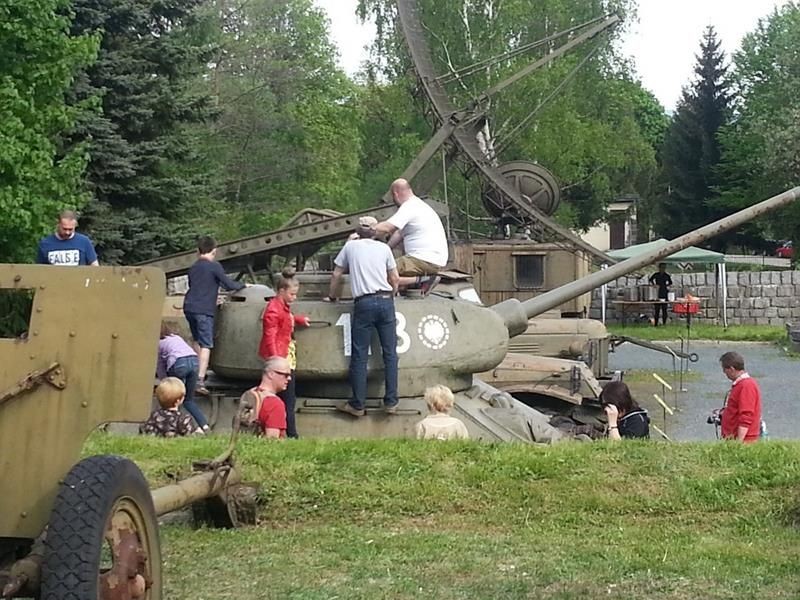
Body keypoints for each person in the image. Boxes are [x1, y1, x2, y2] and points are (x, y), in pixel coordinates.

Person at [326, 216, 400, 417]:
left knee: (359, 355)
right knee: (390, 354)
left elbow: (336, 274)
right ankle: (391, 401)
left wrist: (332, 296)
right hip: (385, 301)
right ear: (375, 231)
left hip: (364, 303)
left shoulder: (351, 247)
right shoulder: (384, 249)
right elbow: (394, 278)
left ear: (358, 231)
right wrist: (392, 294)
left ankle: (358, 404)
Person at [183, 236, 246, 395]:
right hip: (204, 310)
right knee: (206, 344)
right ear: (215, 251)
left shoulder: (194, 267)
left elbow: (198, 286)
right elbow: (229, 285)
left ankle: (193, 373)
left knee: (197, 340)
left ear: (198, 251)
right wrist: (244, 285)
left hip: (189, 307)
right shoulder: (214, 266)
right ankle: (199, 380)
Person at [259, 268, 310, 438]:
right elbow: (270, 335)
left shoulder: (281, 307)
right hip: (281, 358)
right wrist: (275, 360)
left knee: (289, 397)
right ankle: (290, 433)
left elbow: (285, 319)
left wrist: (298, 319)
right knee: (287, 399)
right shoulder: (273, 309)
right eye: (292, 294)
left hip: (286, 355)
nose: (294, 298)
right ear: (281, 291)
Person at [373, 178, 448, 290]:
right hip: (433, 259)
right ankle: (412, 284)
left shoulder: (409, 207)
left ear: (395, 194)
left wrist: (365, 230)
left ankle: (423, 281)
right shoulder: (419, 206)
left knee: (379, 270)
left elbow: (388, 227)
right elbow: (399, 233)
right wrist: (386, 248)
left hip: (423, 259)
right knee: (391, 267)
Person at [157, 322, 209, 433]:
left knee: (172, 396)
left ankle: (172, 426)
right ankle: (205, 427)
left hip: (178, 362)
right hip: (194, 361)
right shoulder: (176, 338)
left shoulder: (159, 343)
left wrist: (164, 383)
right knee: (189, 400)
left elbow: (160, 365)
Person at [242, 356, 292, 438]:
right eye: (285, 375)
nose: (289, 379)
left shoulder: (251, 392)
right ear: (271, 374)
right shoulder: (274, 403)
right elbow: (272, 442)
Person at [718, 351, 762, 443]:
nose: (724, 373)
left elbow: (746, 415)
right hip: (734, 437)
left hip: (744, 440)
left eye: (724, 369)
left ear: (731, 369)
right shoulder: (741, 385)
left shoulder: (746, 386)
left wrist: (739, 442)